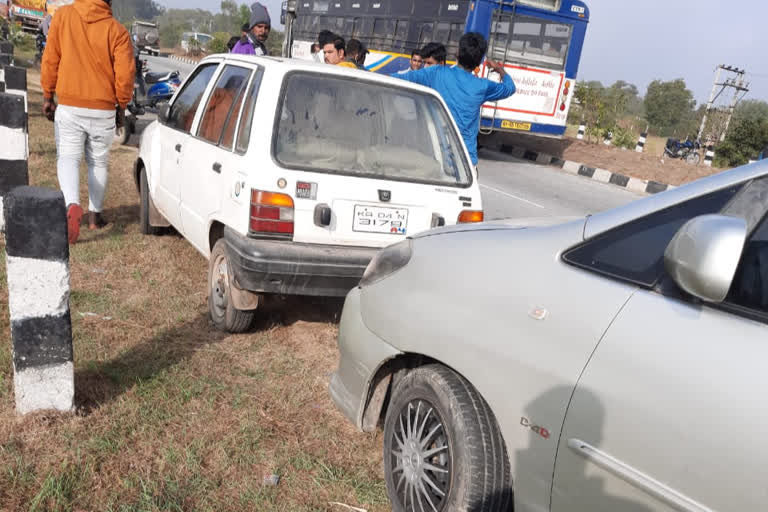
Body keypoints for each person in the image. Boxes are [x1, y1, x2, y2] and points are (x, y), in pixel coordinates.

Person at [41, 0, 134, 244]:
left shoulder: (62, 16)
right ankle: (94, 217)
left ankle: (72, 205)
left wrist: (48, 95)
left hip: (70, 105)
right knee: (98, 162)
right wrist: (121, 107)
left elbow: (51, 57)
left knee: (69, 158)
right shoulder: (118, 31)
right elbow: (125, 76)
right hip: (102, 109)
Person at [393, 32, 516, 167]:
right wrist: (499, 69)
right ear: (479, 61)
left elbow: (400, 78)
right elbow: (510, 88)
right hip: (466, 162)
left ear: (457, 53)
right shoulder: (483, 86)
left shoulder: (436, 73)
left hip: (436, 157)